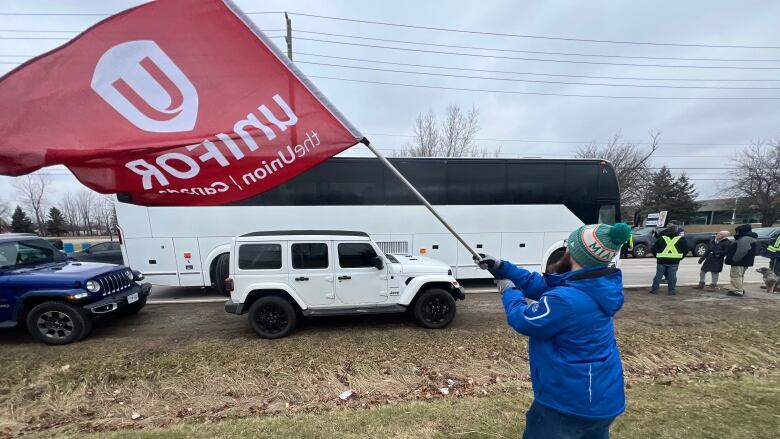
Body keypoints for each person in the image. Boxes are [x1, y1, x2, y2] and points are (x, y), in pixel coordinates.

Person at [476, 223, 630, 439]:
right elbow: (541, 285)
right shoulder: (596, 285)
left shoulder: (566, 300)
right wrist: (502, 267)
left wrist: (509, 291)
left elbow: (525, 320)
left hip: (568, 403)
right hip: (603, 399)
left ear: (574, 253)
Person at [649, 224, 688, 295]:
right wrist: (680, 257)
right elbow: (686, 250)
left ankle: (655, 290)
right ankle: (671, 291)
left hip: (661, 260)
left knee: (658, 276)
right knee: (672, 277)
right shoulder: (681, 239)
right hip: (674, 261)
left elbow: (653, 249)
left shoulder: (662, 238)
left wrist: (657, 256)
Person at [725, 224, 758, 297]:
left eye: (738, 231)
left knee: (736, 276)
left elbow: (742, 251)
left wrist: (734, 260)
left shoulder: (744, 239)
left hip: (739, 262)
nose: (737, 233)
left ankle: (737, 291)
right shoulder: (750, 238)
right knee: (740, 276)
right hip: (744, 261)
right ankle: (739, 289)